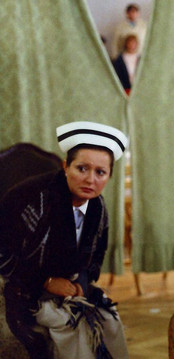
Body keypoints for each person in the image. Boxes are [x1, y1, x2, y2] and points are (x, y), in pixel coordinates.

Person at [0, 121, 130, 359]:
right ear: (65, 167)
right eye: (82, 168)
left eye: (100, 172)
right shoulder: (29, 198)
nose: (90, 179)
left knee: (109, 321)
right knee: (70, 326)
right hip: (24, 286)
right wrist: (46, 282)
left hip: (68, 288)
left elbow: (96, 257)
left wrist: (82, 280)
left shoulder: (98, 207)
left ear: (109, 176)